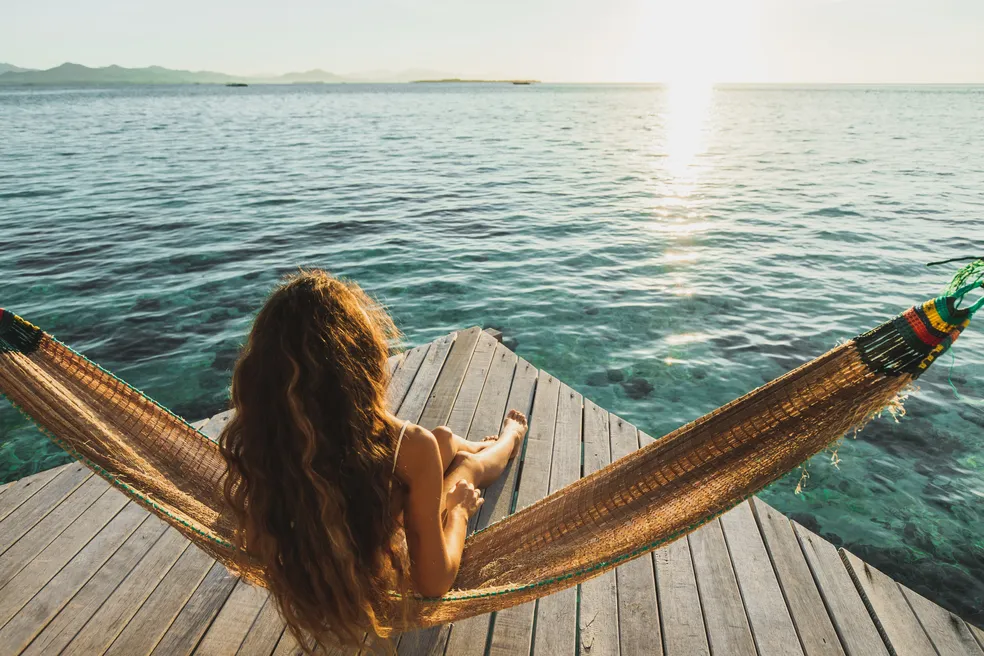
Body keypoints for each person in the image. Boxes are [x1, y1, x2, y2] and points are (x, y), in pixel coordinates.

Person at [219, 269, 528, 649]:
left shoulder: (262, 446)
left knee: (442, 440)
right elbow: (434, 583)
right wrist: (460, 510)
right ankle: (509, 439)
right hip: (374, 534)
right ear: (359, 366)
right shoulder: (408, 446)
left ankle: (472, 443)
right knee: (463, 468)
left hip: (361, 507)